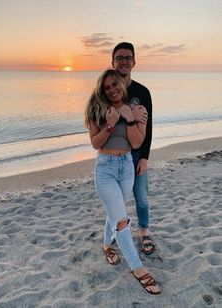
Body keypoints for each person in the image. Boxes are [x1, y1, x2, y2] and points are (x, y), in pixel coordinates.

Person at [84, 69, 161, 295]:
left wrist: (128, 118)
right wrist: (109, 124)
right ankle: (139, 269)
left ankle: (107, 245)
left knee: (115, 212)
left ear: (121, 84)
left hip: (126, 167)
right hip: (105, 169)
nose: (112, 90)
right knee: (121, 220)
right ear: (102, 90)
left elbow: (137, 143)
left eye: (115, 84)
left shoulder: (138, 110)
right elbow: (95, 144)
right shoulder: (97, 109)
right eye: (107, 87)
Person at [112, 42, 155, 255]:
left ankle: (144, 231)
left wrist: (145, 157)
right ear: (112, 62)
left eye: (128, 57)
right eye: (119, 57)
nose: (124, 61)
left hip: (136, 154)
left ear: (134, 62)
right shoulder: (107, 89)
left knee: (141, 196)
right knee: (115, 198)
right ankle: (114, 230)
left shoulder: (142, 92)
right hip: (114, 155)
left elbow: (148, 126)